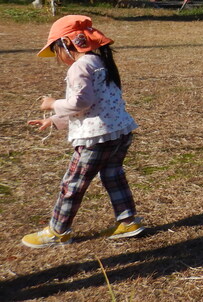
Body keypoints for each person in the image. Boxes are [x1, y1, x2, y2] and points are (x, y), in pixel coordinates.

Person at [22, 15, 144, 248]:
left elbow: (81, 103)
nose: (57, 57)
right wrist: (55, 121)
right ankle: (128, 221)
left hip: (95, 140)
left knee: (73, 184)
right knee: (113, 175)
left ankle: (58, 231)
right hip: (119, 132)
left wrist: (52, 104)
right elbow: (97, 106)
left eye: (56, 49)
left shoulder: (79, 67)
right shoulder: (100, 62)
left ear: (67, 44)